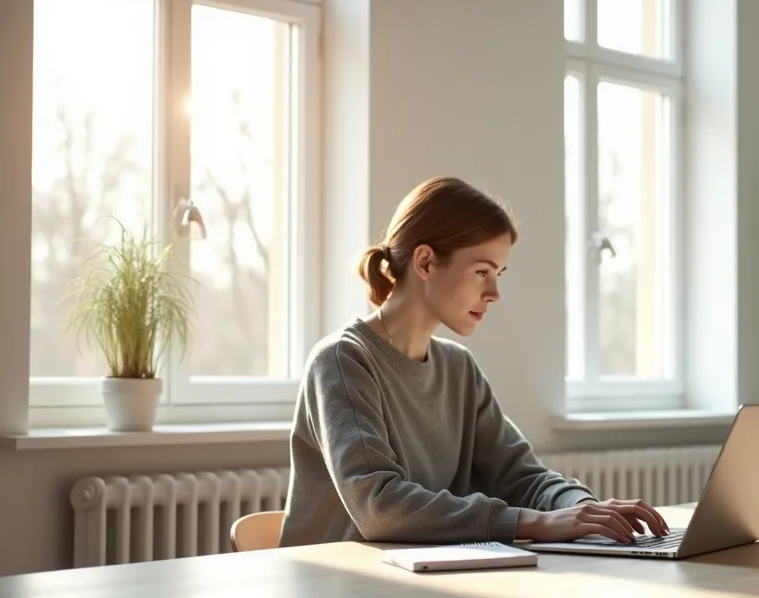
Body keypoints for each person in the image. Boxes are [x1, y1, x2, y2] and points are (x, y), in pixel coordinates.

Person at [278, 177, 668, 547]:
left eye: (498, 273)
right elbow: (379, 507)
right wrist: (536, 522)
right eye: (482, 271)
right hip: (339, 592)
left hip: (420, 585)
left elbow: (522, 477)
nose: (495, 292)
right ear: (426, 262)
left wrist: (583, 510)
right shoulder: (343, 361)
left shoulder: (458, 368)